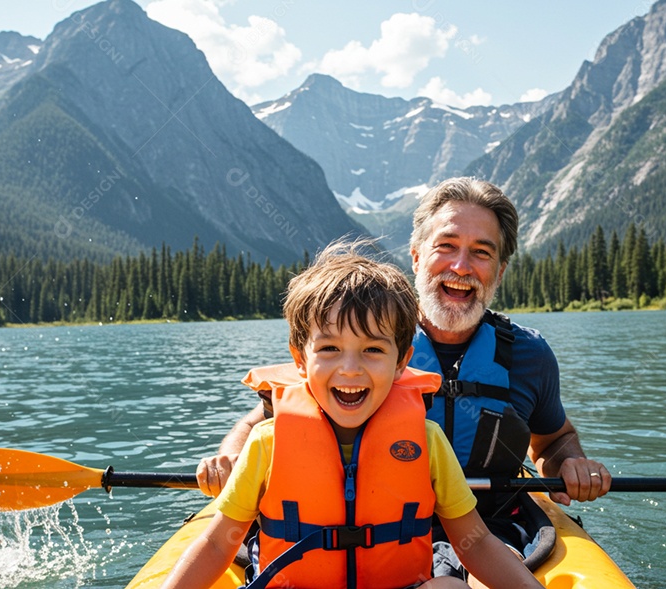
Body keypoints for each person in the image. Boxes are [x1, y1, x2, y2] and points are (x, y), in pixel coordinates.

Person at [197, 178, 610, 565]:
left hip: (489, 529)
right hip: (365, 531)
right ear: (416, 256)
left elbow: (555, 440)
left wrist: (570, 462)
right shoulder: (359, 341)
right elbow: (261, 424)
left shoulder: (530, 355)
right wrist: (230, 458)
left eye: (481, 252)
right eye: (446, 246)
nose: (462, 266)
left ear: (499, 270)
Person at [161, 243, 544, 589]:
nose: (350, 369)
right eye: (329, 348)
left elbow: (474, 542)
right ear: (299, 360)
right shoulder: (268, 442)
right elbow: (216, 544)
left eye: (373, 351)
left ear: (401, 363)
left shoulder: (426, 440)